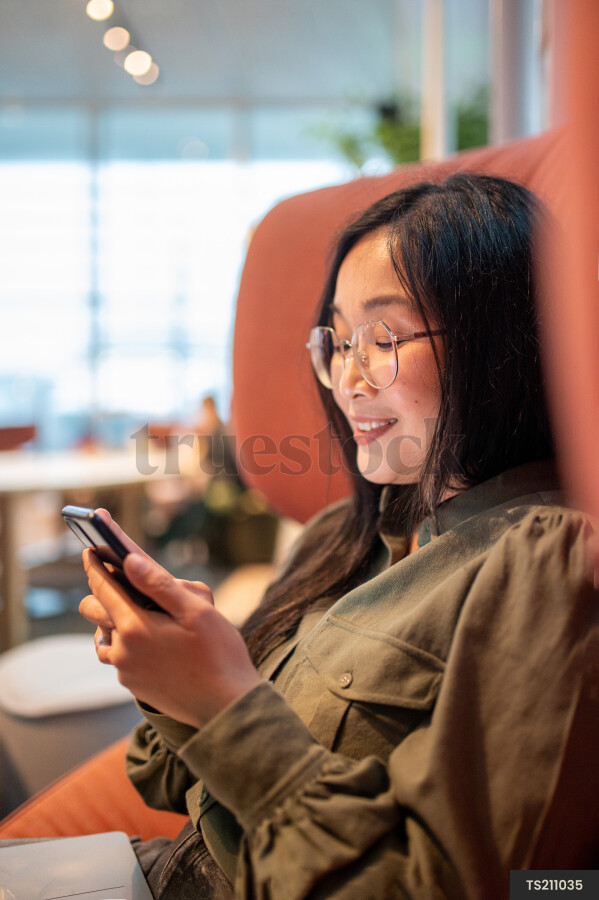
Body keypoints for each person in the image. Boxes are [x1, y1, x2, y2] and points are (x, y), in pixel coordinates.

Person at [79, 174, 599, 899]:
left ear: (502, 340)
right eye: (339, 341)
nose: (346, 380)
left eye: (382, 337)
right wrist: (177, 675)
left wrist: (224, 703)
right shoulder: (344, 533)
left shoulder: (546, 558)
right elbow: (166, 780)